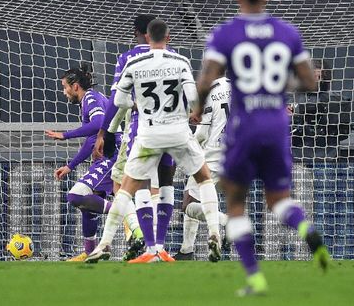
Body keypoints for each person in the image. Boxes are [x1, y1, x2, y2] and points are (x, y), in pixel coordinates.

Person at [191, 0, 330, 296]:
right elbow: (311, 83)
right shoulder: (287, 33)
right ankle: (306, 228)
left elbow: (206, 79)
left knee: (236, 202)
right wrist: (281, 83)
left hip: (245, 124)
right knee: (279, 199)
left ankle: (255, 279)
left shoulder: (225, 33)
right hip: (278, 124)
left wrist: (196, 109)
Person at [86, 19, 222, 264]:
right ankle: (213, 231)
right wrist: (194, 112)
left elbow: (118, 101)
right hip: (178, 131)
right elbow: (192, 98)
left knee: (127, 188)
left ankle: (106, 243)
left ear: (147, 37)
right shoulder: (180, 61)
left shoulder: (132, 61)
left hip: (146, 132)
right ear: (168, 37)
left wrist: (111, 128)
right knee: (202, 179)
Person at [92, 14, 177, 261]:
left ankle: (139, 242)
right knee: (164, 184)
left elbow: (117, 102)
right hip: (173, 129)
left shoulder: (128, 58)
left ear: (137, 32)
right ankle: (159, 246)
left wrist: (105, 132)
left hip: (140, 131)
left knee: (128, 185)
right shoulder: (173, 56)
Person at [45, 64, 122, 262]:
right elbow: (92, 138)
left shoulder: (90, 98)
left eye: (65, 87)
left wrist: (65, 135)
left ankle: (126, 213)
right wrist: (71, 166)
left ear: (75, 86)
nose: (64, 92)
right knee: (88, 204)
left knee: (75, 196)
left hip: (112, 155)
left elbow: (98, 123)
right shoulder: (92, 99)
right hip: (109, 154)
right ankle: (90, 252)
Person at [175, 76, 230, 260]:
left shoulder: (209, 91)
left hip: (212, 157)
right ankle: (186, 249)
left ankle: (226, 221)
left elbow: (201, 133)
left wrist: (189, 146)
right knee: (199, 196)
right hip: (237, 156)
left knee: (188, 203)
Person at [288, 58, 351, 160]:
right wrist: (298, 122)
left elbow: (343, 133)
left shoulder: (338, 101)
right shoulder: (290, 101)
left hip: (327, 156)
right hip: (297, 156)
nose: (315, 80)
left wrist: (325, 124)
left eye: (319, 77)